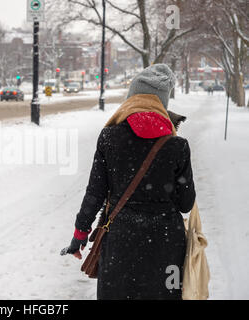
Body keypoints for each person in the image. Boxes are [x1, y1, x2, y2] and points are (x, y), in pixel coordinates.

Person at [62, 64, 196, 300]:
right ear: (162, 103)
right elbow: (186, 203)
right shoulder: (177, 146)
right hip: (166, 244)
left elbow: (95, 193)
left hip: (120, 241)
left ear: (131, 98)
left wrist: (79, 235)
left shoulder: (109, 138)